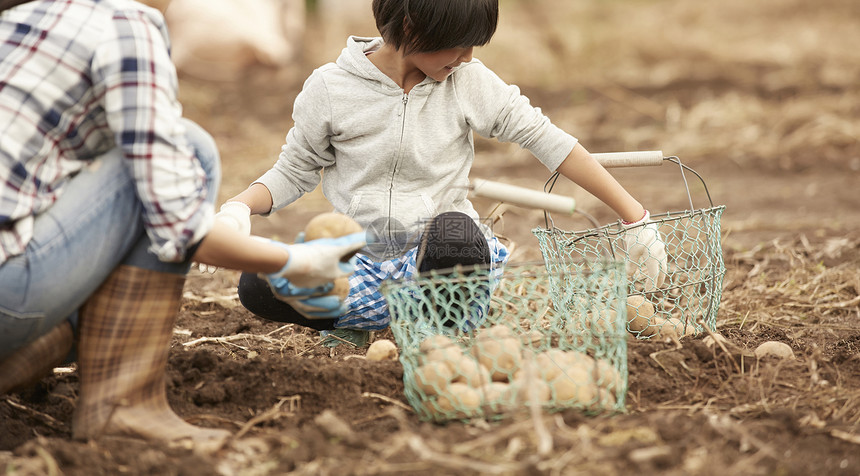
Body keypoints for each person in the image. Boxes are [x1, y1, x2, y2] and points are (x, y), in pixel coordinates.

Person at [0, 0, 365, 451]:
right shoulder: (125, 23)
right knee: (188, 149)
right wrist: (294, 259)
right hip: (9, 296)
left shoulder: (21, 19)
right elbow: (178, 227)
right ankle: (123, 405)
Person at [220, 0, 666, 346]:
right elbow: (294, 170)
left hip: (446, 263)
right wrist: (238, 209)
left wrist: (634, 215)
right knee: (259, 284)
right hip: (365, 266)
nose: (468, 56)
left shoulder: (468, 81)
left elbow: (546, 138)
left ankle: (435, 334)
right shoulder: (330, 88)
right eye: (459, 42)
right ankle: (366, 317)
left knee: (454, 233)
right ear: (412, 27)